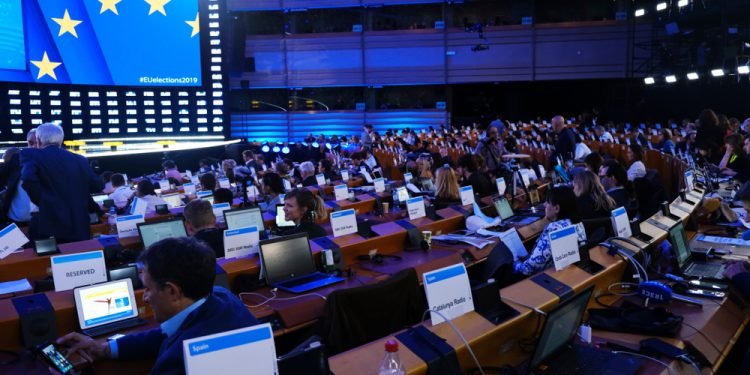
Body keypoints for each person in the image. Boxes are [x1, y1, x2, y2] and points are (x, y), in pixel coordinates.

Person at [55, 237, 258, 374]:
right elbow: (167, 333)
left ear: (172, 292)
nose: (144, 298)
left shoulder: (178, 360)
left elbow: (176, 342)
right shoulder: (223, 297)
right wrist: (104, 349)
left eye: (148, 289)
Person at [20, 123, 103, 242]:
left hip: (48, 225)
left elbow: (28, 179)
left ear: (38, 140)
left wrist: (44, 202)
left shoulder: (31, 154)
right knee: (79, 258)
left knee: (45, 260)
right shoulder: (80, 159)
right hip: (79, 226)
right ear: (61, 140)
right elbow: (97, 185)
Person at [514, 186, 580, 276]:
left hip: (545, 277)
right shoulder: (573, 223)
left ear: (557, 209)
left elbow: (527, 269)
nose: (544, 205)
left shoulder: (554, 230)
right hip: (565, 273)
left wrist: (515, 263)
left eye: (548, 202)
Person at [0, 148, 32, 225]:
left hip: (16, 219)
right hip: (34, 218)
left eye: (4, 159)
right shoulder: (31, 170)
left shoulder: (11, 171)